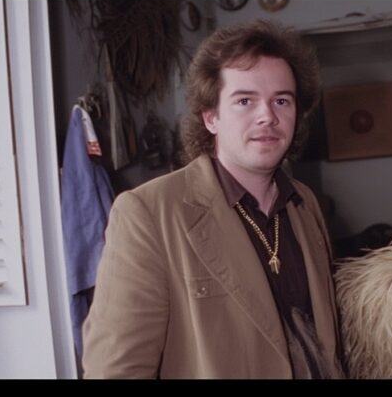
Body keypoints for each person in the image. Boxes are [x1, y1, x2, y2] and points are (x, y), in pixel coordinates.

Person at [82, 19, 344, 379]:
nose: (268, 116)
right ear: (211, 118)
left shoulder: (306, 202)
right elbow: (116, 370)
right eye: (245, 101)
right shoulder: (148, 213)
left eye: (282, 100)